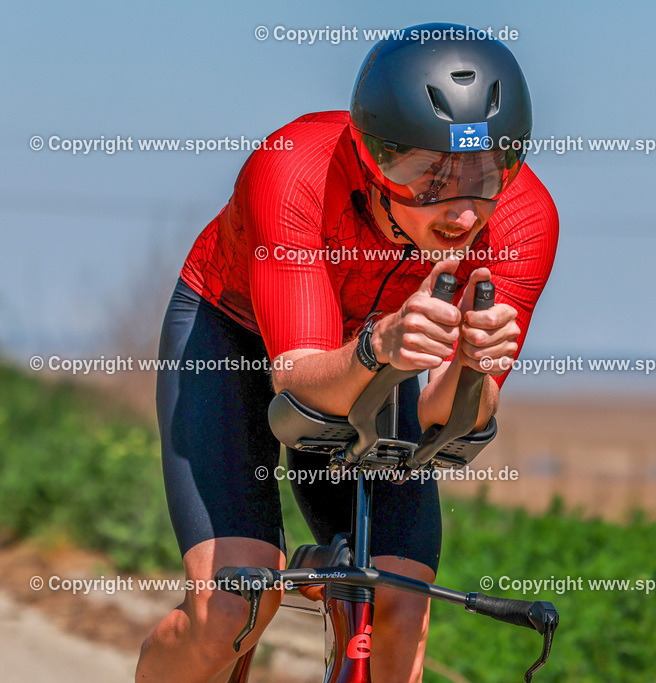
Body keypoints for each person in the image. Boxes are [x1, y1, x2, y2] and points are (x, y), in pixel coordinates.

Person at [135, 22, 558, 683]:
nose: (461, 212)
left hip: (373, 353)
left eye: (484, 172)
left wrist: (475, 368)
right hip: (233, 333)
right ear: (372, 156)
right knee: (230, 609)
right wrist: (381, 345)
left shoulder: (525, 217)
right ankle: (284, 582)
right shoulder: (293, 170)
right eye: (428, 174)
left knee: (397, 608)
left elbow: (450, 425)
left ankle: (322, 578)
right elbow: (301, 381)